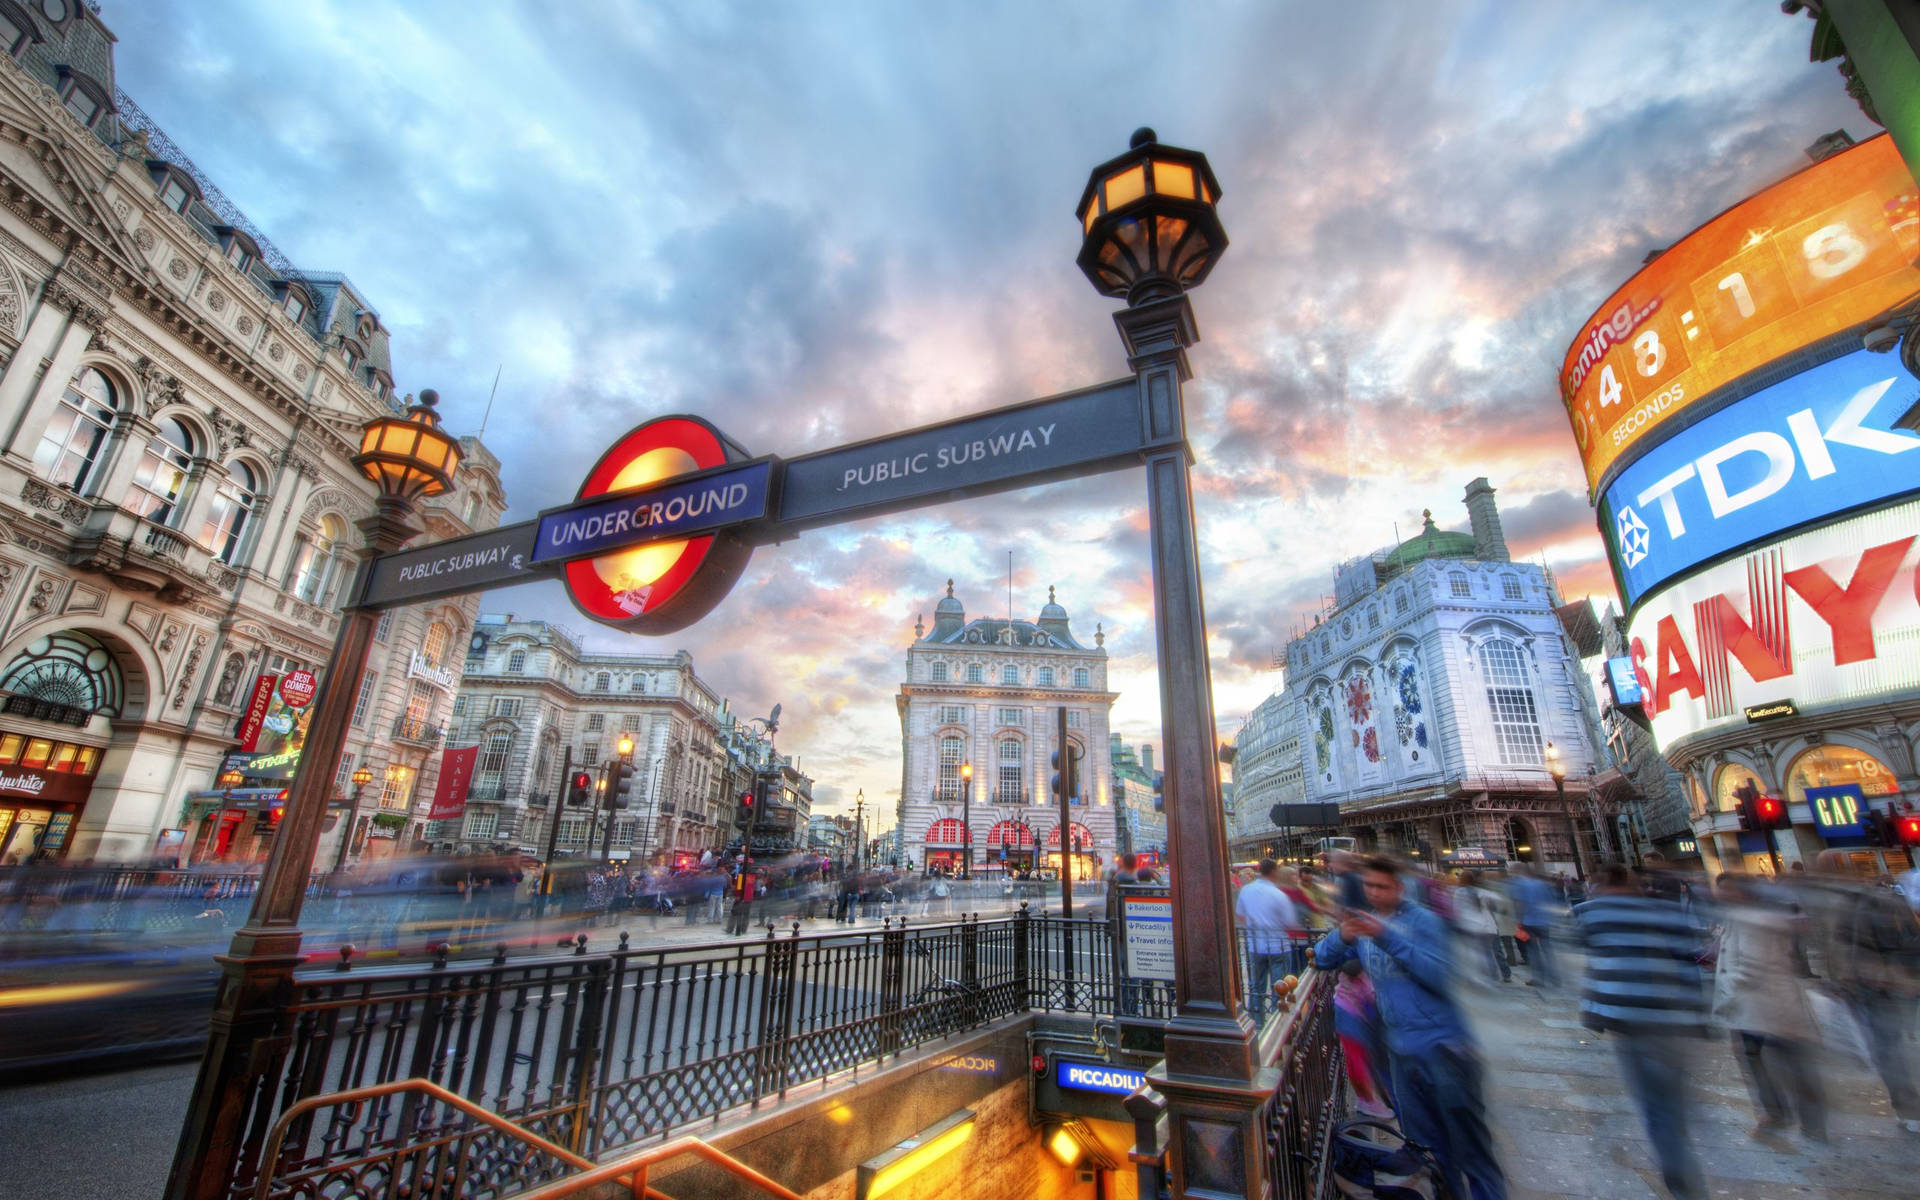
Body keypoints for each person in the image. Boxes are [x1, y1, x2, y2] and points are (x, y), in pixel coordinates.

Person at [1314, 856, 1504, 1200]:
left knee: (1471, 1148)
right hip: (1401, 1052)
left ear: (1399, 888)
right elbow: (1322, 958)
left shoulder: (1424, 922)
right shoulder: (1366, 926)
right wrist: (1340, 936)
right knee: (1427, 1149)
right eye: (1369, 886)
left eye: (1382, 887)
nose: (1374, 893)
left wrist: (1386, 937)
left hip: (1445, 1050)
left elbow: (1440, 975)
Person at [1572, 865, 1709, 1200]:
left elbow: (1580, 936)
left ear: (1599, 883)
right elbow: (1692, 962)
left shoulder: (1592, 912)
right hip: (1673, 1022)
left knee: (1656, 1108)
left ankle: (1682, 1181)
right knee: (1670, 1104)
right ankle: (1683, 1162)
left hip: (1630, 1022)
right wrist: (1700, 1016)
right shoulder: (1667, 912)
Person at [1805, 850, 1920, 1133]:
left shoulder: (1866, 898)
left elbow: (1901, 939)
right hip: (1867, 985)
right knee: (1888, 1047)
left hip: (1879, 982)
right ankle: (1908, 1107)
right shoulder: (1834, 900)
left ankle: (1908, 1107)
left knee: (1889, 1046)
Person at [1713, 872, 1826, 1144]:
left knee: (1765, 1058)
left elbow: (1752, 967)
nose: (1722, 895)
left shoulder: (1752, 920)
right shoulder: (1751, 916)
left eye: (1727, 890)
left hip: (1757, 1003)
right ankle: (1805, 1120)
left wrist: (1727, 995)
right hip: (1770, 1003)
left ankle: (1781, 1115)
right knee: (1785, 1060)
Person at [1234, 859, 1302, 1016]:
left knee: (1256, 987)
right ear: (1273, 872)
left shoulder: (1246, 890)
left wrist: (1253, 926)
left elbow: (1240, 914)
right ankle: (1277, 1019)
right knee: (1279, 987)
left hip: (1255, 945)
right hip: (1278, 946)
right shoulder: (1279, 895)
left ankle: (1257, 1021)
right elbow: (1290, 922)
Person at [1453, 872, 1510, 984]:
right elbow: (1499, 899)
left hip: (1469, 926)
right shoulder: (1480, 891)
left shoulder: (1459, 892)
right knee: (1491, 953)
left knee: (1477, 953)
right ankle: (1494, 976)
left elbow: (1456, 909)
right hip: (1485, 926)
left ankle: (1483, 976)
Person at [1510, 867, 1562, 988]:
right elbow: (1550, 901)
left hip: (1529, 921)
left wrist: (1519, 919)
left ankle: (1538, 978)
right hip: (1543, 921)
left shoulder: (1521, 884)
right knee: (1547, 950)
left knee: (1533, 951)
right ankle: (1554, 977)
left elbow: (1519, 902)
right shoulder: (1542, 884)